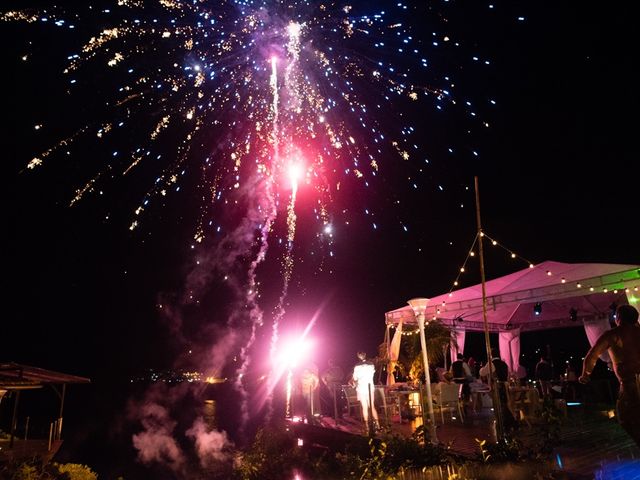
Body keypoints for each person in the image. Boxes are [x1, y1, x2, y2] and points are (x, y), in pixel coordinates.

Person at [579, 304, 640, 446]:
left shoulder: (614, 334)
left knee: (626, 418)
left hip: (631, 384)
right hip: (631, 383)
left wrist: (585, 374)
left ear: (618, 318)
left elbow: (592, 355)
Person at [480, 349, 517, 432]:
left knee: (499, 405)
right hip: (505, 386)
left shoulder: (491, 364)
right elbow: (507, 377)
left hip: (497, 387)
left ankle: (509, 423)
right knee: (505, 404)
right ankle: (509, 423)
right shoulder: (504, 364)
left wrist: (483, 366)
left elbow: (482, 373)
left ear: (491, 355)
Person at [352, 351, 379, 430]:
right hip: (370, 387)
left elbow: (355, 378)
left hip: (361, 388)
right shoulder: (371, 365)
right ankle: (377, 424)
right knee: (372, 406)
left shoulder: (357, 367)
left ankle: (367, 426)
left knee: (364, 407)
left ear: (358, 356)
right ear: (365, 355)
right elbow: (373, 373)